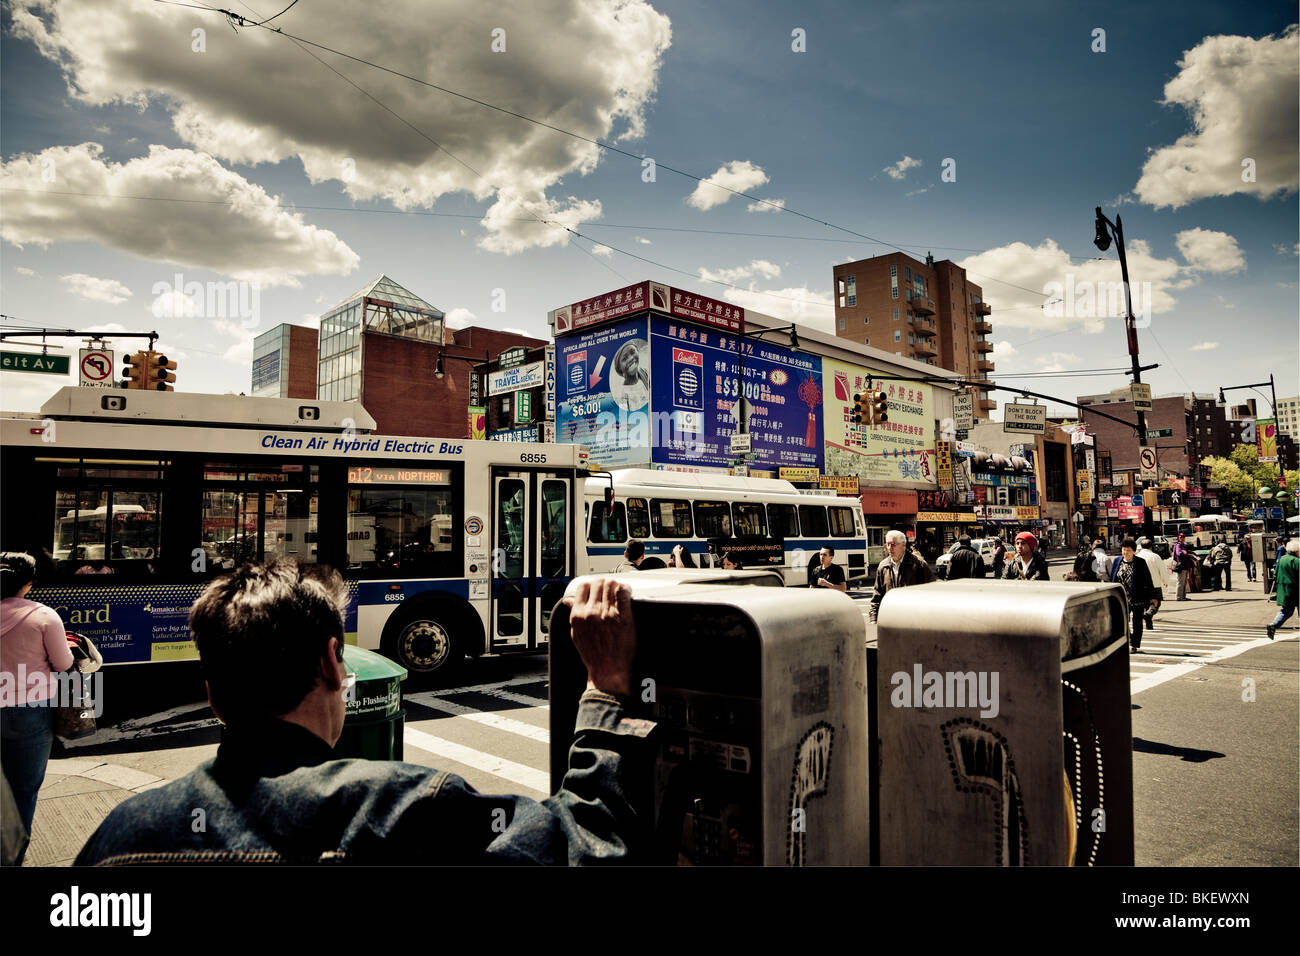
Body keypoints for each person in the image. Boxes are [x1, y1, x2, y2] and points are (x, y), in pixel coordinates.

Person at [76, 562, 653, 865]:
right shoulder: (407, 810)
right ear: (334, 664)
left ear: (213, 697)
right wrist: (605, 692)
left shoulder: (119, 835)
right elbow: (584, 849)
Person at [1, 552, 76, 864]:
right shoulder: (45, 617)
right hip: (31, 711)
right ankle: (11, 859)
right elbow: (64, 664)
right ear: (29, 585)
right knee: (23, 789)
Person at [870, 530, 934, 622]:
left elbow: (931, 593)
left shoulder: (919, 565)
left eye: (893, 544)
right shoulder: (883, 566)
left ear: (903, 545)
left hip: (914, 620)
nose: (889, 548)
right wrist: (873, 619)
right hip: (890, 619)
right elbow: (877, 596)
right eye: (887, 544)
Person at [1109, 537, 1156, 653]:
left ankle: (1134, 645)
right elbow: (1112, 579)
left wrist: (1153, 597)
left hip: (1137, 598)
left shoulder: (1140, 562)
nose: (1126, 552)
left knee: (1137, 623)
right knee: (1121, 621)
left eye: (1128, 550)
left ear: (1134, 551)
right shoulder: (1117, 561)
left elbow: (1148, 580)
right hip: (1121, 597)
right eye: (1124, 550)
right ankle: (1128, 639)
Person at [1266, 538, 1299, 640]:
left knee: (1286, 611)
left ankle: (1274, 625)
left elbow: (1275, 575)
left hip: (1283, 590)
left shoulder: (1281, 559)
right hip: (1296, 589)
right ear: (1296, 550)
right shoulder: (1297, 561)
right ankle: (1273, 625)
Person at [1134, 537, 1168, 630]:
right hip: (1155, 584)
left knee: (1145, 604)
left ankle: (1149, 623)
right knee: (1156, 603)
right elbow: (1162, 570)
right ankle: (1149, 614)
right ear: (1151, 547)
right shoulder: (1156, 557)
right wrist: (1165, 581)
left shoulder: (1137, 557)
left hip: (1141, 586)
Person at [1171, 532, 1195, 600]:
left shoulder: (1183, 545)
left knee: (1184, 582)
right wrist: (1188, 555)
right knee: (1181, 581)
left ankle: (1183, 596)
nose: (1182, 538)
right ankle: (1179, 596)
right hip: (1181, 565)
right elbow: (1179, 554)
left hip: (1185, 565)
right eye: (1181, 537)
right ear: (1178, 538)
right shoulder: (1178, 545)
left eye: (1183, 537)